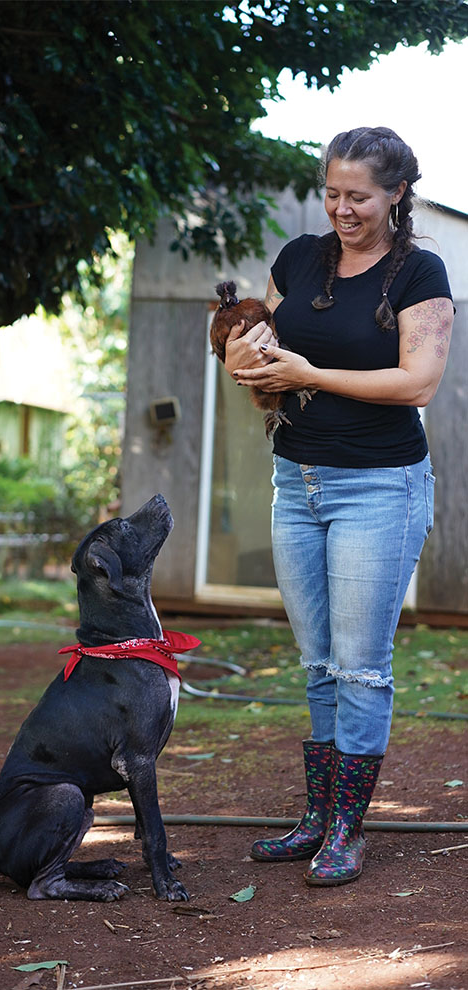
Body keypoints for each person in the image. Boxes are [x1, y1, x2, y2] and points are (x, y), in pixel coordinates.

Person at [224, 126, 454, 887]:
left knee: (359, 668)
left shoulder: (419, 271)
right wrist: (243, 362)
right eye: (331, 193)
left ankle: (348, 831)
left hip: (379, 487)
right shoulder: (298, 258)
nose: (342, 209)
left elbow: (418, 383)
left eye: (358, 196)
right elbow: (268, 365)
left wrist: (309, 371)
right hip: (300, 482)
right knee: (318, 663)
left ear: (395, 194)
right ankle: (317, 818)